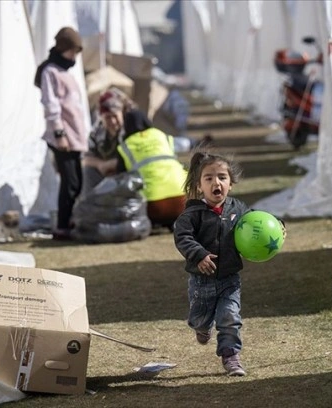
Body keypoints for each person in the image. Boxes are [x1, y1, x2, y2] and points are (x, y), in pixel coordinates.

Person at [173, 151, 250, 376]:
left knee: (230, 317)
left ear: (231, 183)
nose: (216, 182)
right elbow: (183, 237)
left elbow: (256, 222)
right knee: (200, 318)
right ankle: (201, 327)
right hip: (201, 281)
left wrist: (277, 225)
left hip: (229, 278)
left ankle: (231, 356)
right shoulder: (193, 213)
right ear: (199, 186)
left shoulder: (238, 209)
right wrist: (199, 255)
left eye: (222, 177)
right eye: (209, 178)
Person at [84, 88, 187, 229]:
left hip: (135, 186)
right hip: (183, 198)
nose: (113, 121)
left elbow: (126, 167)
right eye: (108, 118)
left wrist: (112, 164)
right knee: (88, 172)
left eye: (115, 116)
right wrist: (101, 164)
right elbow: (85, 158)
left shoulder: (131, 134)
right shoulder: (161, 136)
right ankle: (92, 215)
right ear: (101, 118)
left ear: (122, 114)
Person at [35, 27, 87, 240]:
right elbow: (51, 104)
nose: (74, 56)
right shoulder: (50, 71)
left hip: (75, 136)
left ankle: (70, 220)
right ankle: (62, 226)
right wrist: (59, 132)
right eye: (72, 51)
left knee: (77, 182)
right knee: (70, 182)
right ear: (64, 48)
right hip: (63, 137)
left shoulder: (65, 72)